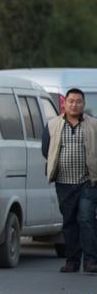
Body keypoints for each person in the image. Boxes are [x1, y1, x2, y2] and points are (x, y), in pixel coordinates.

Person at [42, 88, 97, 273]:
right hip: (64, 183)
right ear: (65, 103)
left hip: (88, 182)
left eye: (78, 101)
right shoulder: (52, 125)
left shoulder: (93, 125)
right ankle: (72, 262)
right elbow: (46, 150)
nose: (75, 105)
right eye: (71, 101)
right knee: (69, 222)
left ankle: (91, 262)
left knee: (87, 219)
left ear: (83, 104)